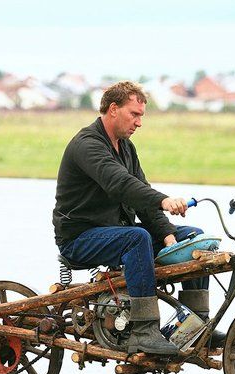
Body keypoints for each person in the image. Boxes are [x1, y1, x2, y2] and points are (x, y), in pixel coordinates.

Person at [52, 81, 225, 355]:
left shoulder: (126, 148)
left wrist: (168, 236)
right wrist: (163, 199)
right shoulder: (87, 145)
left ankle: (194, 326)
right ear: (113, 109)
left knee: (194, 236)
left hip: (116, 233)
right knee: (137, 237)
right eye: (135, 114)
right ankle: (144, 331)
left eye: (141, 116)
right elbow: (119, 183)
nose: (139, 122)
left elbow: (142, 202)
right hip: (80, 238)